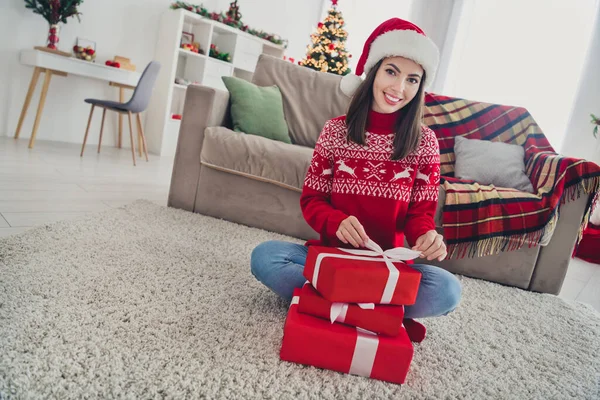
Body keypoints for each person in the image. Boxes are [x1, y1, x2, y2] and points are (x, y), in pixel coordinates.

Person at [251, 18, 461, 342]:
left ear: (420, 87)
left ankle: (330, 304)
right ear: (374, 70)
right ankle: (375, 311)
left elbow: (420, 215)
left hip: (384, 268)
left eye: (412, 79)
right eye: (391, 71)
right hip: (332, 260)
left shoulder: (425, 143)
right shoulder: (335, 131)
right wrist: (336, 222)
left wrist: (427, 237)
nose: (398, 88)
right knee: (265, 257)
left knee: (448, 290)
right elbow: (312, 201)